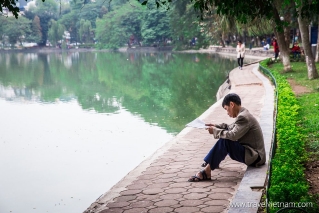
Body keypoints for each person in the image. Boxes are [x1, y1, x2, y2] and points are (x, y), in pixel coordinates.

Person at [188, 93, 266, 182]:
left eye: (226, 109)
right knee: (225, 139)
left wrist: (214, 131)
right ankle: (213, 162)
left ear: (232, 104)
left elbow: (232, 135)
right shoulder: (244, 113)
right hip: (254, 154)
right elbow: (231, 127)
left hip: (255, 157)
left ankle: (207, 171)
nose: (227, 113)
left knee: (226, 141)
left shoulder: (243, 117)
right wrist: (215, 126)